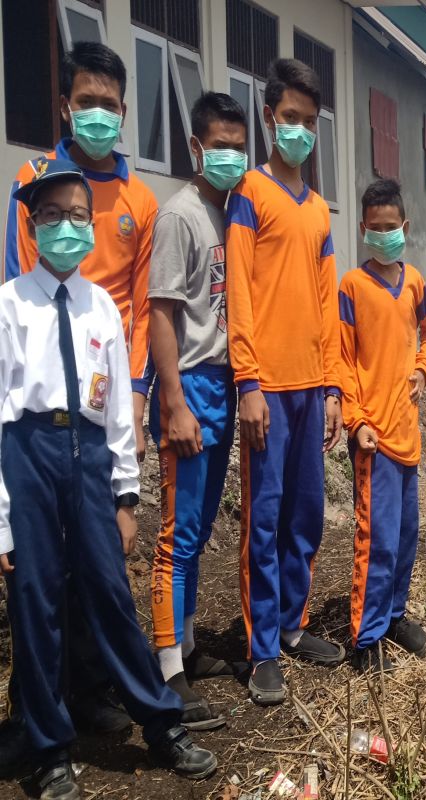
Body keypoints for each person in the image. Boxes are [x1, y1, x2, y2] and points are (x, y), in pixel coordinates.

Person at [0, 161, 217, 799]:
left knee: (109, 593)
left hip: (88, 453)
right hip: (29, 450)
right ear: (32, 225)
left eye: (77, 215)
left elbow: (119, 409)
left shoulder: (101, 308)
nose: (67, 227)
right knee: (35, 604)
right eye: (52, 216)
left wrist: (127, 495)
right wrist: (3, 518)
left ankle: (160, 722)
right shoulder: (10, 307)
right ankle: (49, 749)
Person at [0, 40, 156, 756]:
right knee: (37, 584)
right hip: (33, 424)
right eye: (86, 101)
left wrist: (133, 427)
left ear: (125, 113)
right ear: (66, 105)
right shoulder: (31, 185)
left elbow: (141, 311)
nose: (98, 115)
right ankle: (42, 720)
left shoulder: (136, 204)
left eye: (110, 105)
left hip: (100, 405)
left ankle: (111, 700)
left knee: (103, 573)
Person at [226, 58, 344, 705]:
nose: (298, 130)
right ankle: (261, 646)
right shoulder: (251, 193)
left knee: (306, 516)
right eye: (288, 118)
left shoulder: (319, 211)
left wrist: (332, 388)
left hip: (310, 390)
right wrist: (247, 380)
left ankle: (294, 626)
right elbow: (239, 292)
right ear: (270, 118)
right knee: (264, 518)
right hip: (266, 387)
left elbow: (327, 305)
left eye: (308, 120)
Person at [148, 92, 248, 729]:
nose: (231, 157)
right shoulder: (179, 217)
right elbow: (161, 312)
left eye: (240, 147)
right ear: (196, 147)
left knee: (202, 525)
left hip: (224, 383)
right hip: (189, 384)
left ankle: (187, 645)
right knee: (176, 534)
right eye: (221, 145)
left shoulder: (233, 212)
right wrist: (174, 402)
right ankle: (166, 672)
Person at [339, 179, 426, 673]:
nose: (384, 235)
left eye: (391, 227)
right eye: (374, 228)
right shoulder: (351, 287)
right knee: (375, 540)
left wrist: (424, 368)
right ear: (363, 229)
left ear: (405, 227)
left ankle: (395, 614)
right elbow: (341, 360)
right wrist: (355, 421)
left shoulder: (416, 283)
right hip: (373, 439)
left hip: (408, 434)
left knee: (405, 536)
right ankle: (367, 635)